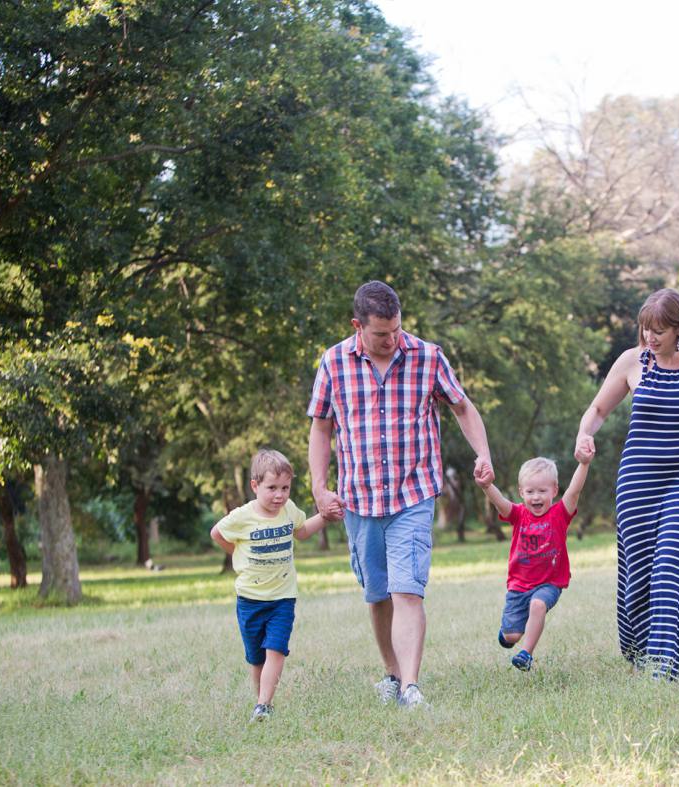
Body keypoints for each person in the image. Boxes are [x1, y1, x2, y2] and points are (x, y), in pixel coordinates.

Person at [307, 281, 493, 709]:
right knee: (377, 594)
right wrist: (319, 486)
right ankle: (391, 673)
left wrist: (482, 452)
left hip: (414, 493)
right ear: (357, 326)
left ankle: (411, 686)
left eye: (396, 330)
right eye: (380, 333)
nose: (392, 339)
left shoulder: (427, 357)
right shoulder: (334, 363)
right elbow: (321, 427)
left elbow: (462, 406)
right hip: (360, 498)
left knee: (407, 589)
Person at [575, 288, 679, 680]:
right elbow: (598, 408)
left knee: (670, 569)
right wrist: (585, 434)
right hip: (637, 482)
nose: (650, 337)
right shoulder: (633, 362)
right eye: (646, 329)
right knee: (638, 576)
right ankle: (639, 651)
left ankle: (666, 666)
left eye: (659, 330)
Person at [210, 449, 335, 722]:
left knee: (276, 648)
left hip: (282, 597)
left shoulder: (288, 510)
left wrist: (325, 517)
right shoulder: (242, 516)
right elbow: (217, 533)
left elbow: (301, 532)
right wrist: (236, 553)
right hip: (250, 599)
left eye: (285, 488)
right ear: (255, 486)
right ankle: (262, 703)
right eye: (272, 488)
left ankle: (264, 705)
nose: (279, 495)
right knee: (257, 658)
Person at [475, 449, 592, 672]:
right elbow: (500, 503)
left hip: (550, 583)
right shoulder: (519, 514)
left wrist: (584, 464)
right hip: (519, 585)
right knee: (511, 635)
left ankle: (526, 654)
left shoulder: (559, 513)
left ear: (555, 490)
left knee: (538, 605)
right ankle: (510, 637)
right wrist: (486, 486)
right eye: (530, 491)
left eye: (542, 491)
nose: (536, 497)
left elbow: (575, 491)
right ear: (521, 492)